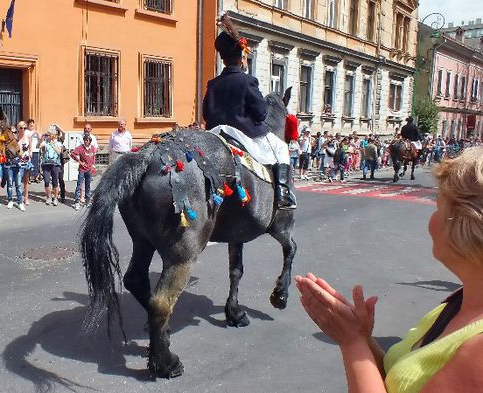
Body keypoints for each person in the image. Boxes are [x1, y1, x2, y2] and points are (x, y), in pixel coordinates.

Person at [295, 147, 483, 393]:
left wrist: (352, 341)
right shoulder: (460, 300)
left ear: (465, 224)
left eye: (439, 208)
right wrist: (363, 337)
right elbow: (400, 381)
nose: (432, 219)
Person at [202, 16, 296, 209]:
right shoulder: (248, 81)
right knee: (281, 148)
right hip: (243, 135)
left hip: (215, 134)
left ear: (224, 59)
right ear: (241, 58)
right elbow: (261, 114)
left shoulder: (213, 84)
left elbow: (206, 113)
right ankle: (283, 194)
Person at [5, 122, 31, 211]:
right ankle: (10, 200)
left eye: (24, 128)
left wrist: (29, 155)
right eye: (20, 128)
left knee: (19, 184)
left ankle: (20, 202)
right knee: (10, 183)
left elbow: (29, 147)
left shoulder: (27, 137)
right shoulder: (13, 138)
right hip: (10, 163)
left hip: (20, 164)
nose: (22, 129)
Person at [70, 134, 97, 211]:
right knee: (79, 185)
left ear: (90, 141)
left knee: (88, 186)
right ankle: (76, 202)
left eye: (87, 140)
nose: (85, 141)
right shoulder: (80, 147)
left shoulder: (92, 148)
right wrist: (79, 161)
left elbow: (93, 157)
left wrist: (93, 165)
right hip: (82, 170)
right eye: (85, 140)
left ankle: (87, 201)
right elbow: (72, 154)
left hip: (89, 170)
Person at [39, 128, 62, 206]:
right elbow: (38, 146)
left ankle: (55, 198)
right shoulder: (45, 142)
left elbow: (59, 152)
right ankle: (48, 197)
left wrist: (52, 144)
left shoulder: (58, 143)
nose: (49, 136)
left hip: (55, 165)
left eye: (50, 135)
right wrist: (40, 140)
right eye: (48, 135)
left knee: (55, 182)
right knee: (46, 181)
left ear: (54, 135)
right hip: (46, 164)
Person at [27, 119, 42, 183]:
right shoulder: (26, 132)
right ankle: (29, 177)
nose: (32, 126)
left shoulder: (36, 132)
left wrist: (38, 135)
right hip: (29, 151)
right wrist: (33, 134)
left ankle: (36, 177)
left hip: (36, 150)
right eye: (30, 125)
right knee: (29, 164)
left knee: (36, 164)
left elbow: (40, 140)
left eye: (32, 125)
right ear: (28, 125)